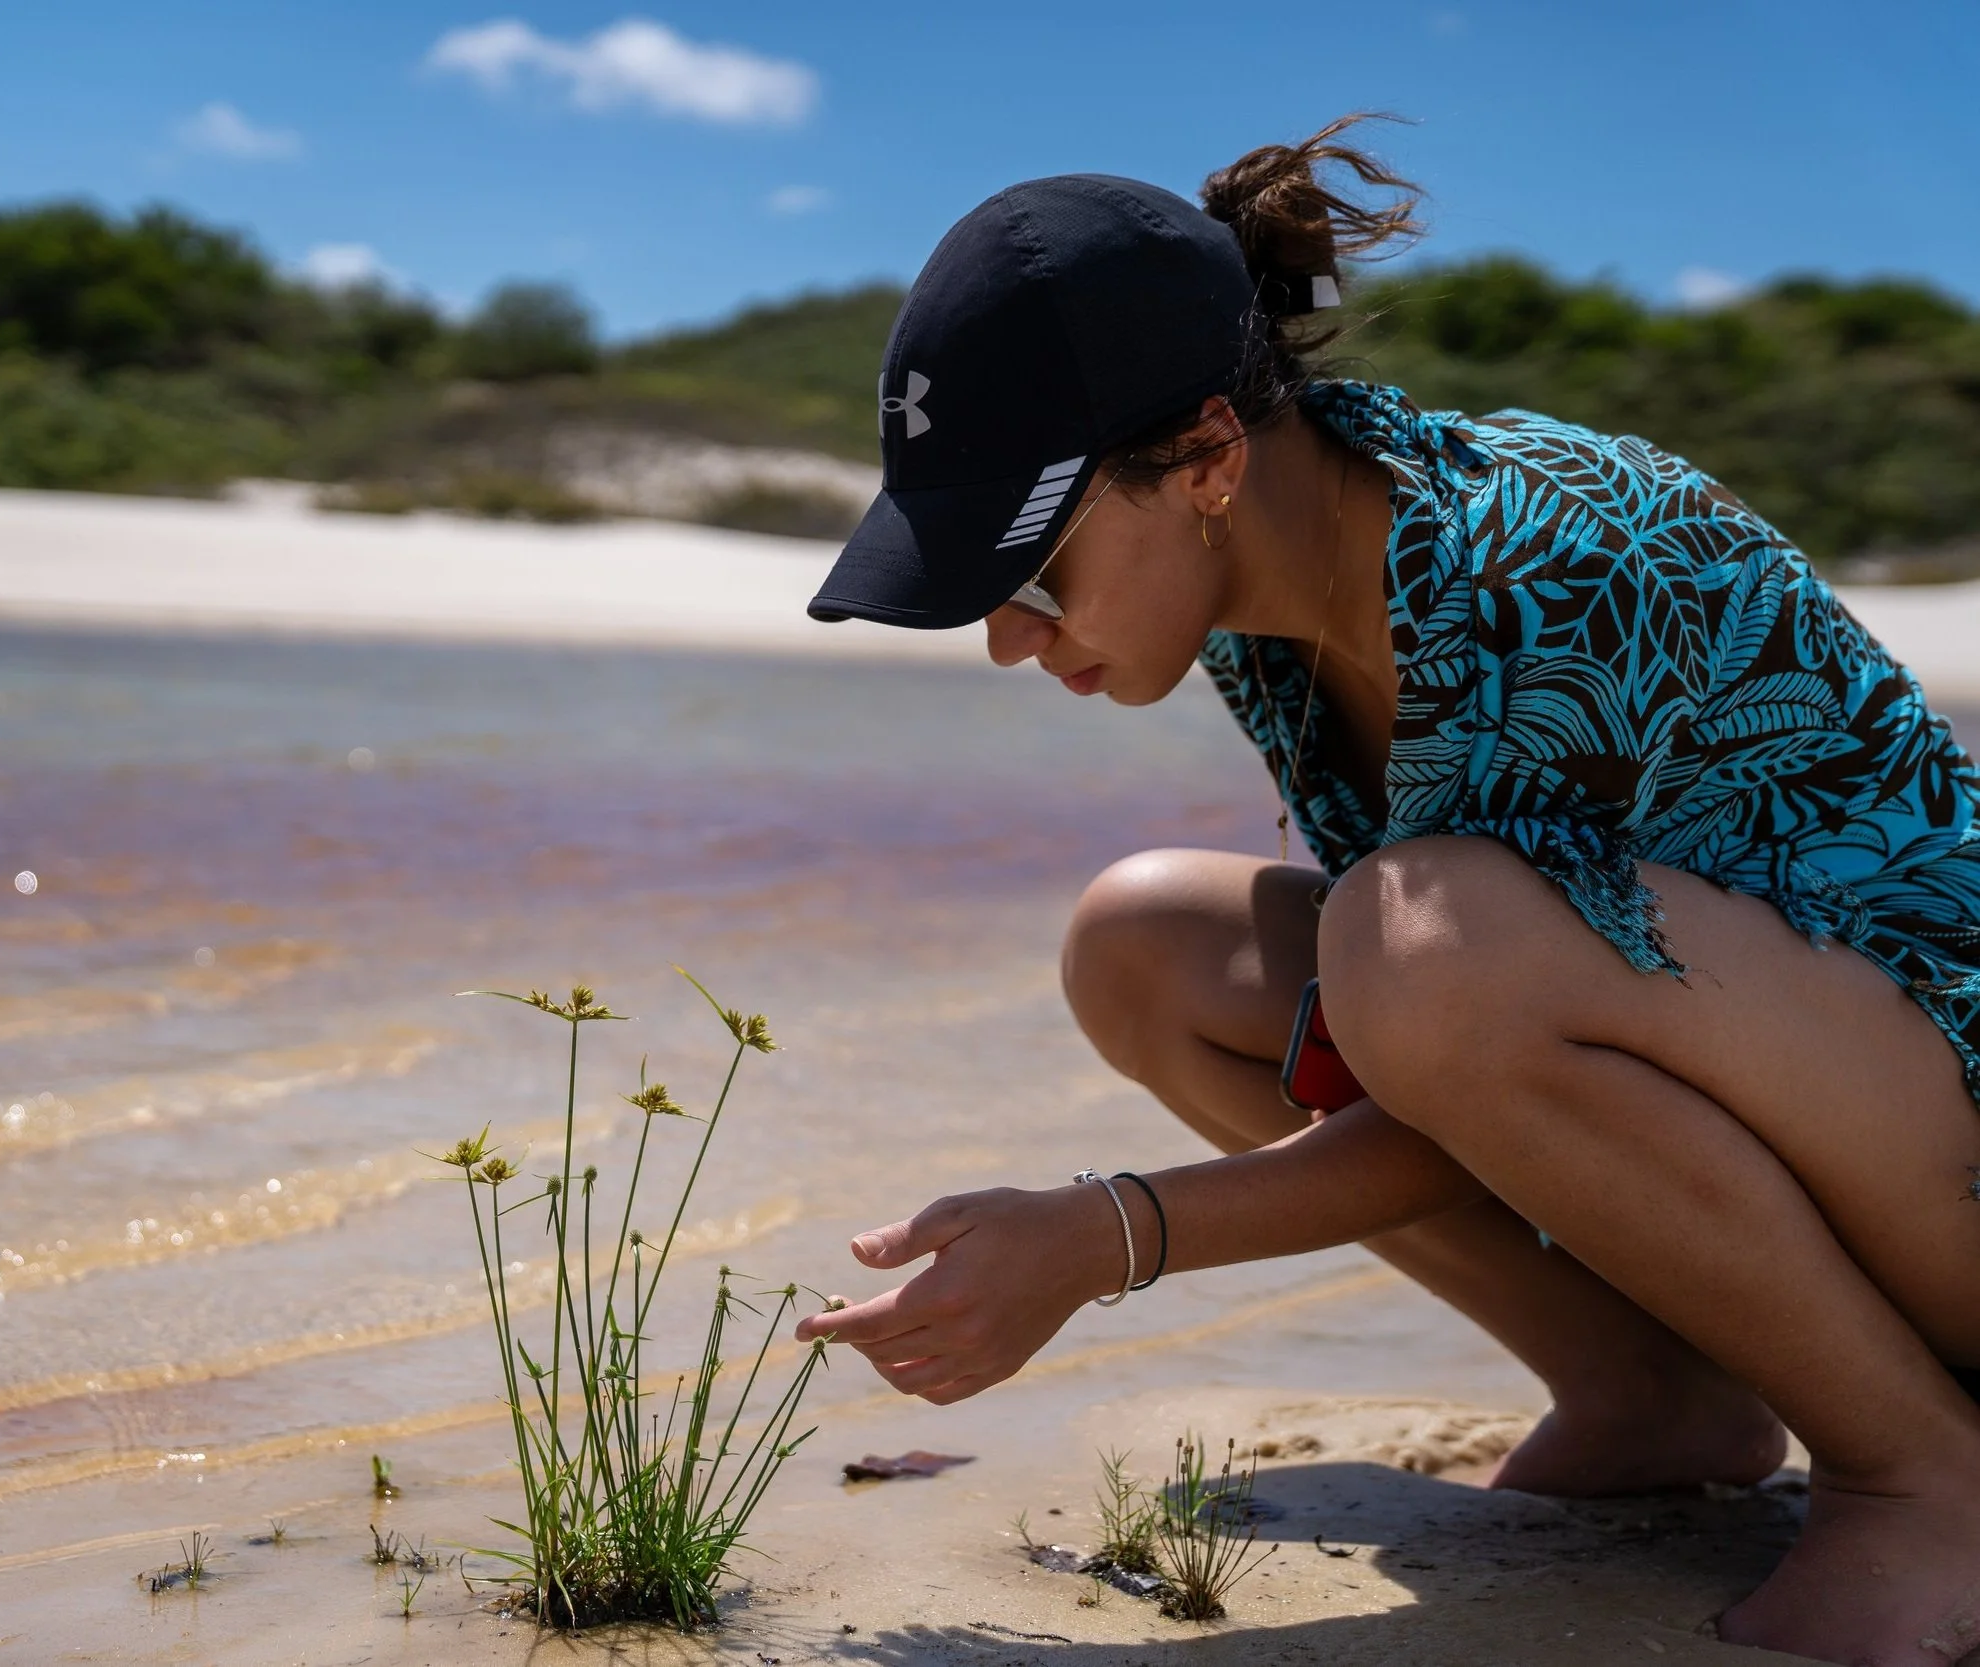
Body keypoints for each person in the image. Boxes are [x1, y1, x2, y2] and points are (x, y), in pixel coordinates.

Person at [791, 116, 1980, 1665]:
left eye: (1033, 573)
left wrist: (1107, 1235)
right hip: (1810, 1107)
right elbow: (1452, 1062)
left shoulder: (1537, 557)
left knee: (1416, 939)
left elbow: (1453, 1035)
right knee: (1147, 943)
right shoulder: (1268, 605)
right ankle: (1653, 1395)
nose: (1012, 638)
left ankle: (1920, 1474)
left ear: (1211, 457)